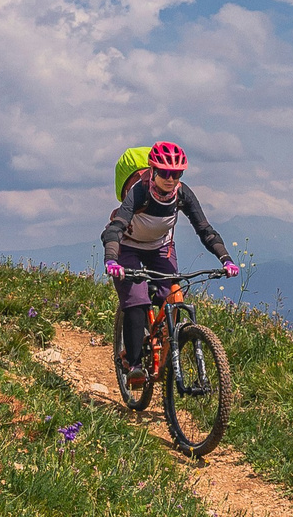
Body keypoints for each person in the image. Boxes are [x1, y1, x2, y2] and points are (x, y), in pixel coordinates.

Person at [101, 140, 237, 366]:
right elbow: (115, 228)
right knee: (136, 301)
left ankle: (166, 347)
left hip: (160, 248)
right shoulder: (139, 192)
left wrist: (226, 259)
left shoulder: (183, 194)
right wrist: (112, 260)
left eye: (177, 173)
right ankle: (133, 363)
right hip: (128, 247)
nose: (170, 179)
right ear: (153, 171)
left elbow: (205, 230)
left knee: (173, 297)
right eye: (164, 172)